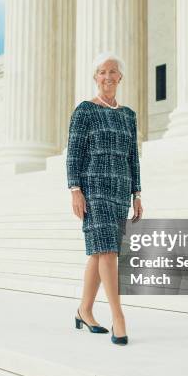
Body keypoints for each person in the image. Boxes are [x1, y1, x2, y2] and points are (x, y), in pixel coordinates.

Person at [66, 52, 143, 346]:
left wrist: (137, 193)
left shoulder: (128, 116)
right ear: (95, 77)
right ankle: (118, 317)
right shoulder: (85, 110)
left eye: (113, 72)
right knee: (108, 251)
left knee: (99, 252)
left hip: (120, 189)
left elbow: (133, 157)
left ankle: (84, 310)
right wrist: (75, 189)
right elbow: (74, 152)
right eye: (102, 72)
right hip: (93, 187)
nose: (108, 77)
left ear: (120, 77)